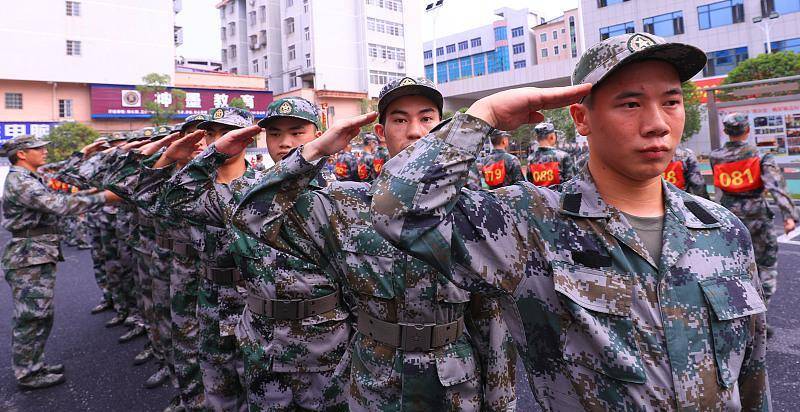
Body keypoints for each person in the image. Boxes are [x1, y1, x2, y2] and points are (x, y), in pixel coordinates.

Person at [369, 33, 770, 410]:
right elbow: (398, 210)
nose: (657, 124)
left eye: (671, 101)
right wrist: (483, 114)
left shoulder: (722, 229)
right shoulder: (531, 223)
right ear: (581, 119)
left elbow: (752, 380)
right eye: (630, 104)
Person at [233, 77, 516, 411]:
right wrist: (317, 149)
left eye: (426, 119)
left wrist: (500, 403)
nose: (414, 131)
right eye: (399, 119)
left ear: (441, 127)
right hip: (375, 380)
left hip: (454, 382)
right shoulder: (347, 205)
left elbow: (491, 319)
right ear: (380, 133)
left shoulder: (472, 211)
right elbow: (251, 216)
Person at [167, 97, 350, 411]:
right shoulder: (247, 196)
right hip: (263, 347)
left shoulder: (343, 196)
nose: (285, 143)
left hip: (325, 348)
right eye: (274, 134)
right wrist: (218, 150)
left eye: (297, 132)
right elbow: (177, 199)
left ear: (318, 133)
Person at [1, 135, 118, 389]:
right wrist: (105, 198)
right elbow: (58, 204)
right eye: (38, 148)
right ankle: (28, 373)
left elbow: (59, 178)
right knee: (31, 316)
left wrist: (83, 154)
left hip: (35, 253)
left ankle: (35, 364)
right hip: (28, 255)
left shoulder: (28, 177)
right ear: (21, 154)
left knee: (41, 315)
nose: (44, 151)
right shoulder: (21, 182)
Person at [709, 113, 797, 317]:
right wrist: (789, 216)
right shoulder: (758, 154)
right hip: (757, 216)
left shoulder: (716, 156)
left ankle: (739, 309)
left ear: (726, 131)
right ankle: (760, 314)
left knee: (734, 264)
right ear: (747, 130)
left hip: (728, 216)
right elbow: (775, 186)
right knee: (765, 264)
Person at [527, 122, 577, 187]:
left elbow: (530, 184)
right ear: (552, 137)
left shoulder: (531, 158)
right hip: (559, 196)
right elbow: (571, 184)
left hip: (539, 196)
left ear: (537, 139)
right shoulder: (563, 156)